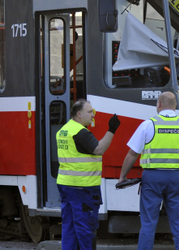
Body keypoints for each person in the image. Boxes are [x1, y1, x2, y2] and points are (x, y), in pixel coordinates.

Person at [118, 91, 179, 250]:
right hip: (178, 177)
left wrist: (122, 177)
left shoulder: (148, 124)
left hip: (153, 178)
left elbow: (132, 153)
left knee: (148, 223)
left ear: (159, 104)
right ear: (175, 106)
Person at [56, 99, 120, 250]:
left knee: (69, 227)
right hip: (83, 188)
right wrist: (111, 130)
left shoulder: (64, 130)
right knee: (86, 228)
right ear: (79, 114)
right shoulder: (80, 132)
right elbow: (99, 149)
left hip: (66, 184)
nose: (93, 115)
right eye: (90, 112)